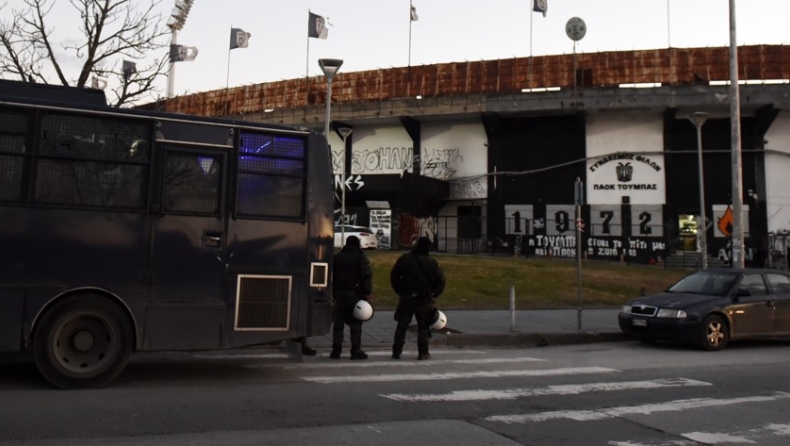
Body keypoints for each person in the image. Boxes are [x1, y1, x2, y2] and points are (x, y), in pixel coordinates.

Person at [390, 236, 446, 360]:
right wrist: (434, 293)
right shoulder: (432, 263)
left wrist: (400, 291)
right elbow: (441, 281)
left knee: (402, 325)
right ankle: (423, 352)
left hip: (407, 297)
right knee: (423, 327)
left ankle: (397, 351)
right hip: (424, 299)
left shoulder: (405, 259)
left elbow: (394, 275)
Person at [331, 235, 373, 360]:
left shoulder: (337, 257)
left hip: (339, 294)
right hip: (355, 295)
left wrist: (333, 293)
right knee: (355, 324)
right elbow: (367, 276)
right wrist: (367, 292)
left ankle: (336, 350)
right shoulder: (361, 257)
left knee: (338, 324)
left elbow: (332, 276)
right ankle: (355, 350)